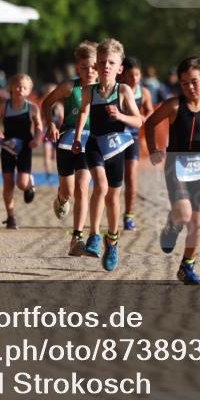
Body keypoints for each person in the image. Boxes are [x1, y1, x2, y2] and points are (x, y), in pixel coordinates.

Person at [145, 56, 200, 285]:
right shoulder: (173, 105)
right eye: (184, 83)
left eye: (194, 81)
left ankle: (187, 266)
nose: (190, 87)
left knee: (198, 221)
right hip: (176, 165)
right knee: (183, 215)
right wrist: (153, 149)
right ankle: (172, 225)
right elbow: (150, 123)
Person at [72, 39, 143, 272]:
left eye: (111, 62)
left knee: (113, 198)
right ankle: (93, 235)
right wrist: (77, 137)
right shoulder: (88, 91)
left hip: (116, 148)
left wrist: (121, 117)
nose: (105, 66)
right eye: (101, 62)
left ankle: (112, 242)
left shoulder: (123, 91)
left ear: (120, 68)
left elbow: (139, 120)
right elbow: (83, 111)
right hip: (94, 144)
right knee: (100, 187)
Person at [40, 42, 100, 256]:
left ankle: (77, 238)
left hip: (90, 144)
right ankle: (60, 199)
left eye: (94, 66)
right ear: (77, 68)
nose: (90, 71)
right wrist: (51, 124)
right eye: (84, 67)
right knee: (68, 191)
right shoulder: (69, 87)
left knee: (82, 188)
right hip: (67, 142)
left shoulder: (104, 89)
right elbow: (46, 103)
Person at [0, 73, 42, 229]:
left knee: (21, 183)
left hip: (25, 148)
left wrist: (36, 139)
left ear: (29, 91)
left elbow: (39, 126)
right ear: (11, 88)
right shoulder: (4, 106)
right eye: (18, 86)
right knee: (8, 184)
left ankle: (29, 185)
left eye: (24, 88)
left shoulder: (32, 108)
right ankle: (10, 217)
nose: (21, 89)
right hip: (8, 148)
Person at [119, 57, 154, 231]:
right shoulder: (117, 90)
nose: (134, 79)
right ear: (123, 76)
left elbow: (150, 115)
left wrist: (142, 118)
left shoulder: (144, 93)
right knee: (113, 180)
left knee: (131, 178)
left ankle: (129, 215)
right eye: (131, 76)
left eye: (137, 75)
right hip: (115, 138)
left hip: (132, 138)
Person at [41, 82, 60, 177]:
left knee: (55, 155)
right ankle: (48, 172)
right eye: (48, 94)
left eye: (52, 93)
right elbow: (39, 120)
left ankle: (57, 171)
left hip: (57, 134)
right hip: (47, 133)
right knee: (47, 153)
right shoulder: (43, 107)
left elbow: (62, 120)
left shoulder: (59, 107)